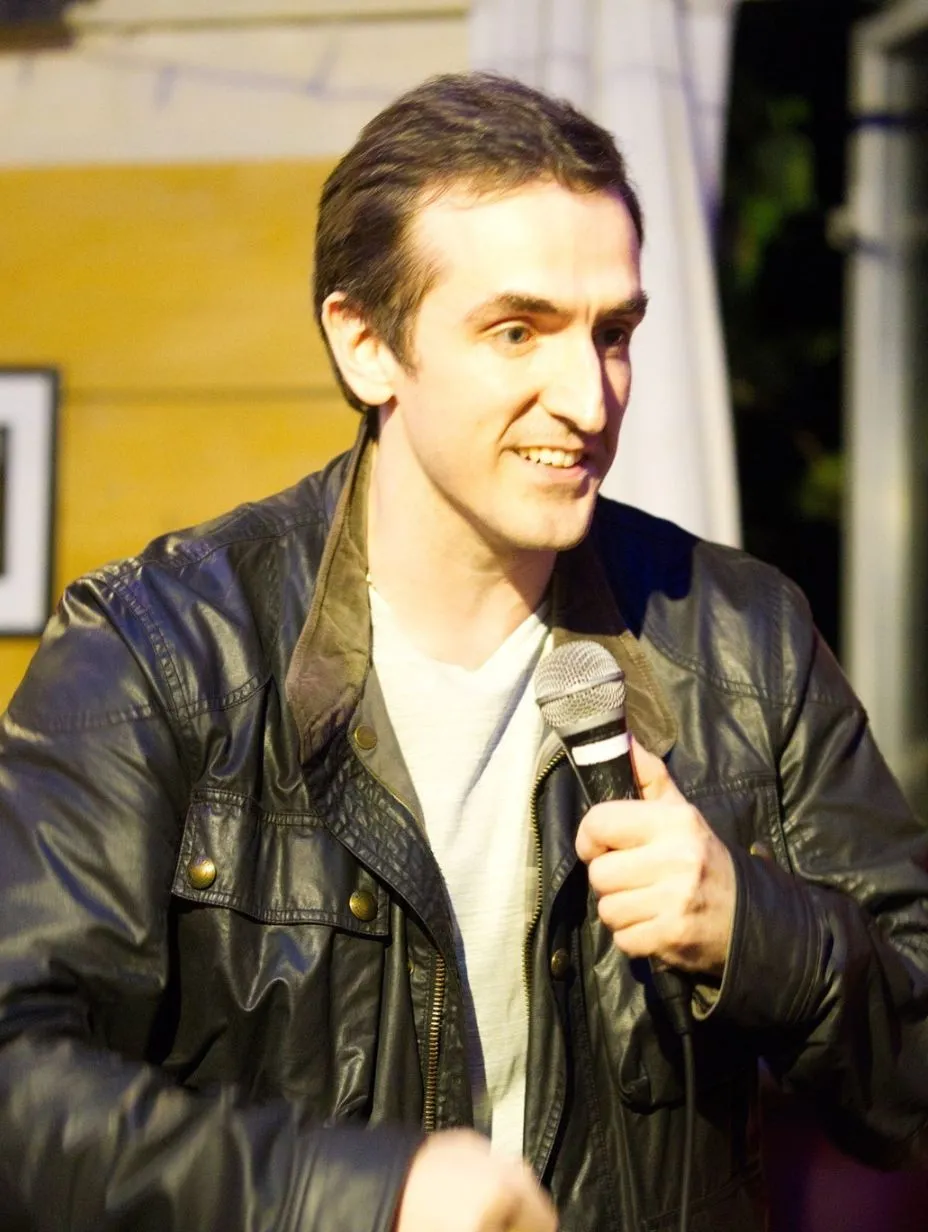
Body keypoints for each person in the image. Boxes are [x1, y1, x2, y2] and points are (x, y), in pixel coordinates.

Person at [0, 71, 927, 1232]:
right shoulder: (158, 652)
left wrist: (757, 930)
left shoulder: (744, 640)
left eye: (615, 332)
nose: (587, 397)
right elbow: (18, 1085)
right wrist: (360, 1196)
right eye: (516, 331)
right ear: (367, 344)